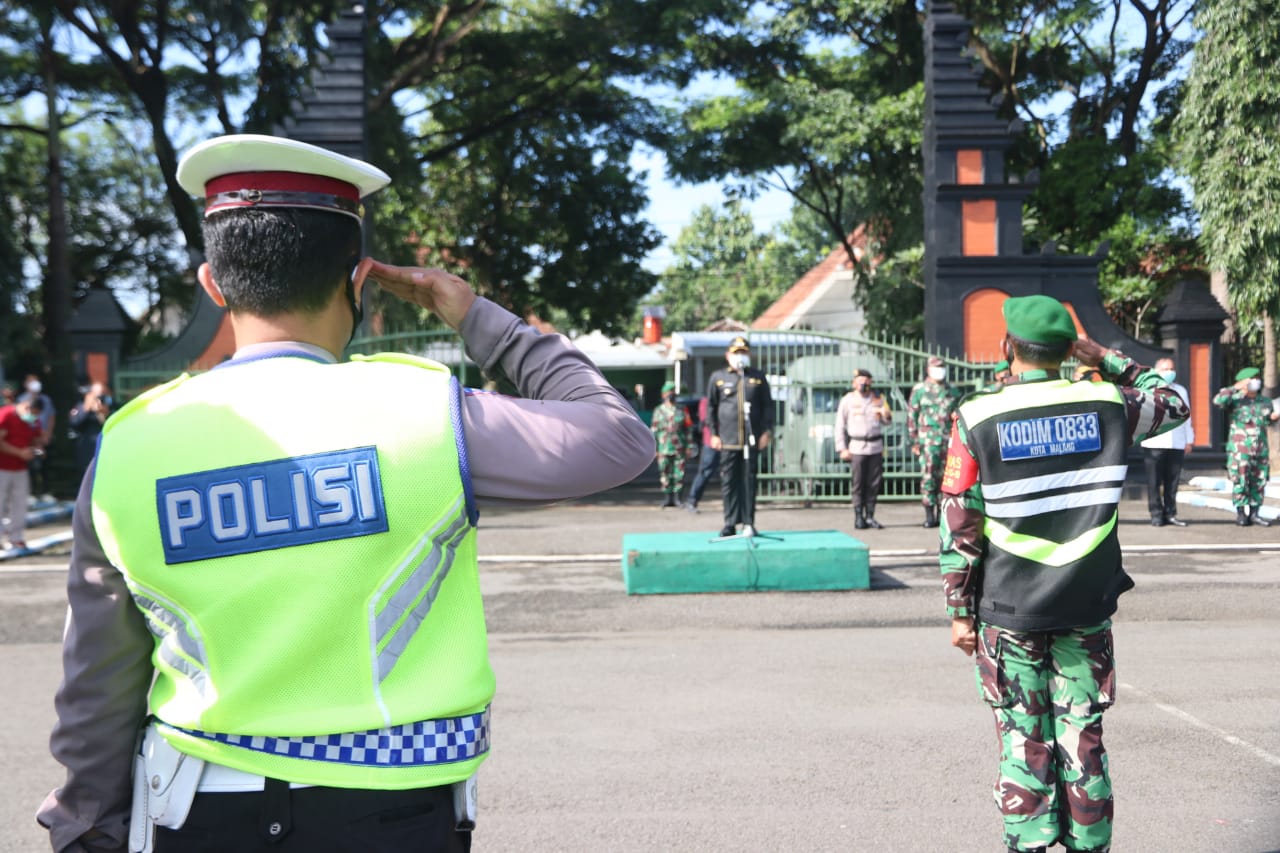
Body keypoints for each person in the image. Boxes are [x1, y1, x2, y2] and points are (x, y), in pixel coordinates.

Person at [37, 134, 655, 853]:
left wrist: (86, 829)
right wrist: (481, 320)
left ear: (214, 284)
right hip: (390, 817)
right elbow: (618, 438)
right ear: (358, 281)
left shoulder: (127, 445)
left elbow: (98, 684)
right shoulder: (423, 412)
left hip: (196, 814)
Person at [939, 295, 1189, 853]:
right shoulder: (1109, 402)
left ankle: (1028, 845)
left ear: (1008, 347)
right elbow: (1173, 400)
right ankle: (1090, 844)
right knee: (1082, 738)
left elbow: (960, 524)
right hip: (1084, 606)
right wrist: (1107, 355)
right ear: (1067, 349)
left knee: (1023, 738)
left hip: (1008, 610)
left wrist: (958, 612)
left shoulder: (978, 416)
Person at [706, 335, 773, 538]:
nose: (740, 357)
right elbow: (711, 407)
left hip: (751, 441)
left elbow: (768, 407)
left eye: (743, 353)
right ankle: (730, 523)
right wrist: (713, 434)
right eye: (736, 353)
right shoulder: (718, 377)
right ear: (728, 356)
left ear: (749, 355)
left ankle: (749, 522)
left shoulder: (758, 377)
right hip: (728, 440)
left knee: (749, 482)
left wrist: (766, 432)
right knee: (729, 483)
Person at [1212, 366, 1278, 526]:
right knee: (1240, 480)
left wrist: (1274, 417)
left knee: (1259, 481)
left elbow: (1267, 421)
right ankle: (1241, 514)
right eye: (1252, 379)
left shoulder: (1265, 401)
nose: (1256, 381)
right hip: (1240, 450)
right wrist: (1235, 387)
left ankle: (1255, 513)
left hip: (1260, 449)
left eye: (1257, 378)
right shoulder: (1235, 400)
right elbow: (1217, 401)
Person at [907, 356, 963, 528]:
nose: (940, 370)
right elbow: (912, 417)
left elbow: (958, 416)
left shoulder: (951, 391)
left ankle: (944, 513)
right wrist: (914, 441)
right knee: (929, 477)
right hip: (928, 443)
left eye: (942, 367)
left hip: (948, 442)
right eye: (936, 367)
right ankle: (929, 514)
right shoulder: (920, 390)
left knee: (947, 479)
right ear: (928, 369)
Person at [835, 369, 891, 530]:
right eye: (860, 381)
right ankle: (858, 517)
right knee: (858, 483)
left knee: (874, 483)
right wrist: (842, 448)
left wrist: (885, 413)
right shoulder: (848, 400)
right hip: (857, 447)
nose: (863, 384)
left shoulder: (878, 399)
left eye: (866, 381)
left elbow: (888, 420)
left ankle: (870, 516)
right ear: (854, 383)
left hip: (875, 447)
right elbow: (839, 425)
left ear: (871, 382)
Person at [1141, 357, 1193, 527]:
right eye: (1165, 369)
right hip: (1154, 441)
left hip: (1176, 442)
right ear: (1157, 371)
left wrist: (1189, 439)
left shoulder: (1181, 390)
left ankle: (1171, 513)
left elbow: (1187, 416)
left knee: (1173, 481)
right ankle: (1156, 514)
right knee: (1154, 481)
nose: (1169, 372)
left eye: (1171, 369)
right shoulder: (1147, 389)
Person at [0, 395, 45, 551]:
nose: (32, 415)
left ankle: (16, 537)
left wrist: (37, 448)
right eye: (31, 411)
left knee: (19, 504)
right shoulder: (6, 415)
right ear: (24, 406)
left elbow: (37, 438)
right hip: (3, 466)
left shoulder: (32, 420)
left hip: (21, 468)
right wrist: (19, 452)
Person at [651, 380, 693, 508]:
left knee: (679, 474)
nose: (671, 395)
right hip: (664, 447)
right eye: (669, 392)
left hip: (679, 447)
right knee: (665, 473)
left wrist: (689, 446)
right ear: (664, 395)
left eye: (673, 392)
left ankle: (678, 499)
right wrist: (655, 449)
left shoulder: (682, 409)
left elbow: (688, 429)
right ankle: (667, 498)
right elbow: (654, 430)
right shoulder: (658, 410)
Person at [68, 383, 114, 486]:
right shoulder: (81, 407)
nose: (100, 398)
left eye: (103, 394)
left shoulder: (110, 407)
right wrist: (87, 408)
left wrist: (103, 414)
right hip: (87, 452)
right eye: (97, 395)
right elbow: (74, 423)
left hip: (105, 452)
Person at [681, 395, 719, 513]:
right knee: (705, 472)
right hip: (711, 442)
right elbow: (706, 419)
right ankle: (692, 500)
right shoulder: (706, 401)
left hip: (728, 441)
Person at [19, 374, 55, 497]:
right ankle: (31, 492)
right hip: (28, 441)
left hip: (42, 438)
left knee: (45, 465)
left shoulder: (46, 400)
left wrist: (45, 437)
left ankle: (45, 491)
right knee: (30, 467)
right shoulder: (22, 400)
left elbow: (51, 417)